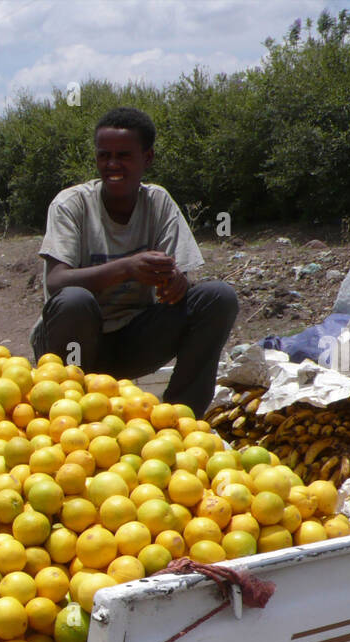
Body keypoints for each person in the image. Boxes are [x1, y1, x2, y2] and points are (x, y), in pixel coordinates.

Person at [31, 107, 238, 415]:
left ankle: (181, 418)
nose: (112, 165)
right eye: (104, 155)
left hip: (132, 343)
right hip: (73, 345)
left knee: (218, 297)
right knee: (74, 300)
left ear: (148, 158)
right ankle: (65, 413)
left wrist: (176, 283)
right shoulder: (72, 204)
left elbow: (177, 279)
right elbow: (56, 282)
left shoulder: (158, 202)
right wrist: (127, 268)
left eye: (124, 156)